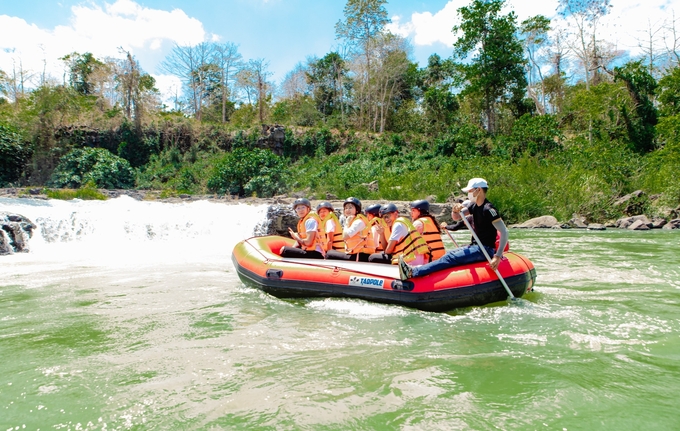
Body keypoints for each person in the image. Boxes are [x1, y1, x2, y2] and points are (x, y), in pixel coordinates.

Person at [398, 178, 508, 279]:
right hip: (476, 247)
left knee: (451, 257)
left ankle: (413, 272)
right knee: (449, 254)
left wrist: (497, 256)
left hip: (485, 249)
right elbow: (456, 218)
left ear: (478, 190)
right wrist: (455, 210)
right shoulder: (473, 206)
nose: (468, 194)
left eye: (470, 191)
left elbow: (504, 232)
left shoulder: (488, 209)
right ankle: (418, 271)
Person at [326, 197, 372, 262]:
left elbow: (345, 236)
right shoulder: (353, 221)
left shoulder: (359, 222)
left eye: (350, 207)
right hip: (354, 253)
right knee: (332, 252)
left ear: (357, 210)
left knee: (329, 254)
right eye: (346, 208)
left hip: (360, 255)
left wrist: (347, 223)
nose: (348, 210)